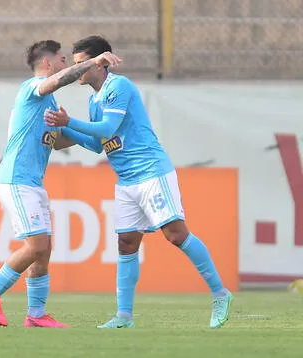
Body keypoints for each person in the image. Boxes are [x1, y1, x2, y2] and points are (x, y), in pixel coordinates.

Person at [44, 35, 233, 329]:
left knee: (176, 235)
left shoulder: (118, 87)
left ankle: (220, 293)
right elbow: (98, 144)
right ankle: (124, 316)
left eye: (82, 64)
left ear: (99, 63)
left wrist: (68, 124)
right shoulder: (94, 100)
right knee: (127, 242)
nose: (78, 71)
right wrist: (63, 138)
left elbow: (107, 127)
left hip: (150, 172)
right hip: (126, 180)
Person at [0, 40, 122, 328]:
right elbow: (56, 81)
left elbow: (58, 141)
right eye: (62, 59)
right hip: (15, 178)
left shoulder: (48, 103)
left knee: (44, 249)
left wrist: (89, 134)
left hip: (32, 182)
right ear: (47, 64)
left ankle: (36, 314)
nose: (66, 63)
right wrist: (93, 62)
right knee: (35, 245)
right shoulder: (32, 88)